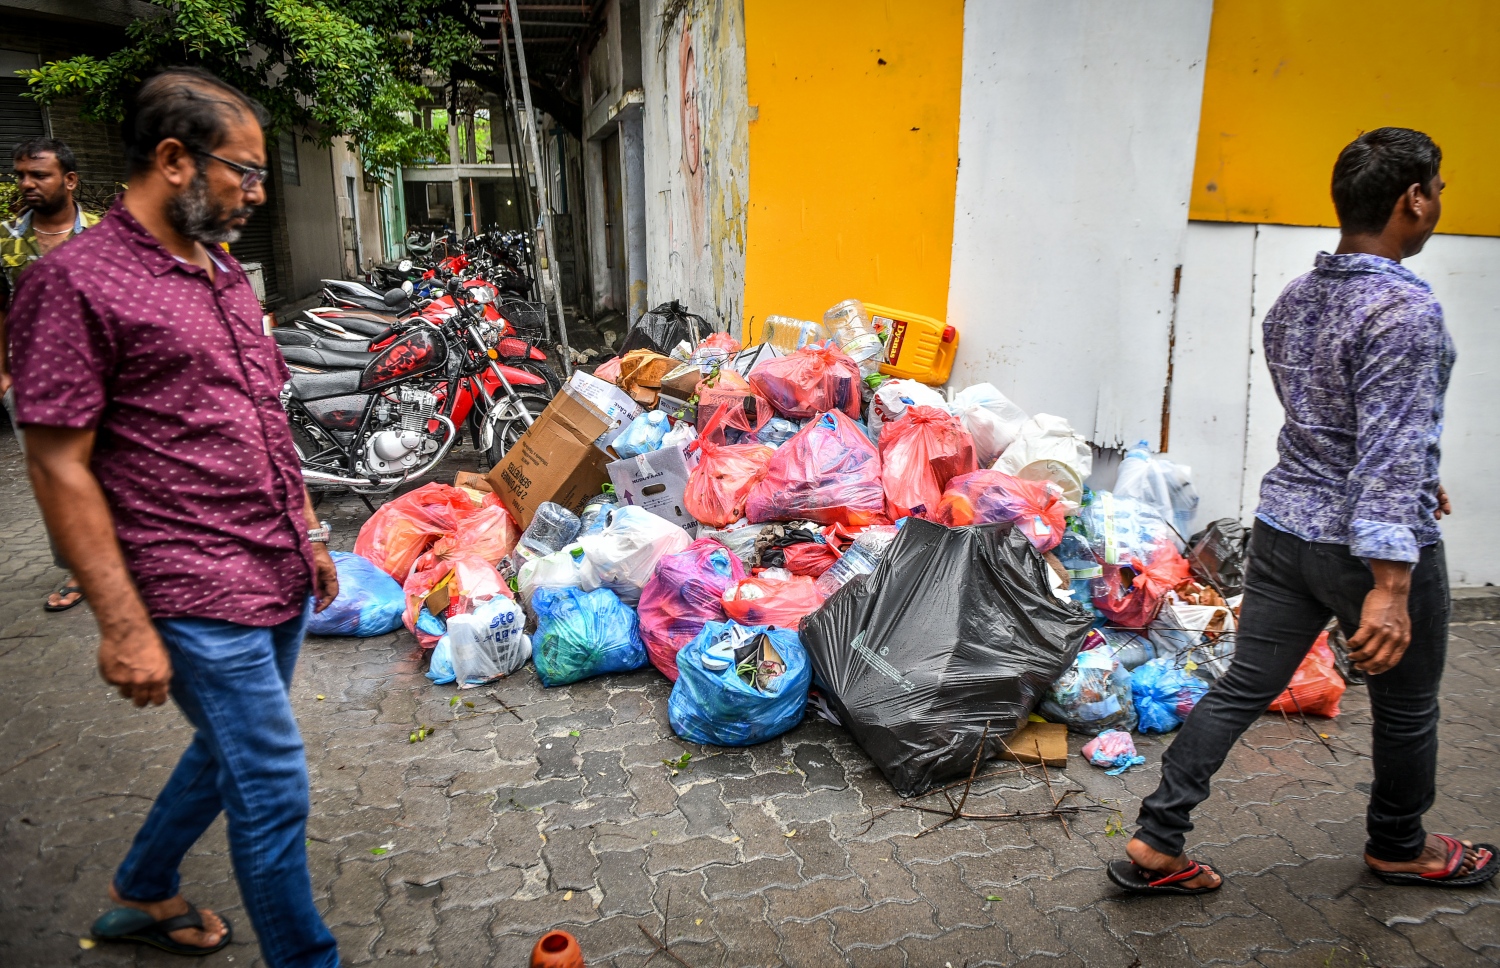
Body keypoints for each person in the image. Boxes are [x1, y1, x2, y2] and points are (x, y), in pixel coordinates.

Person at [6, 68, 341, 964]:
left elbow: (264, 411)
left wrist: (307, 531)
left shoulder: (222, 270)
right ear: (173, 160)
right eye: (246, 173)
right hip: (188, 586)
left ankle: (140, 891)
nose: (257, 194)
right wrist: (120, 625)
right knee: (271, 782)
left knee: (226, 751)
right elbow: (56, 463)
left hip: (270, 562)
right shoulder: (75, 283)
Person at [1109, 127, 1495, 896]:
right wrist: (1390, 584)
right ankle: (1399, 846)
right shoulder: (1405, 311)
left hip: (1287, 531)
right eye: (1438, 188)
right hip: (1368, 551)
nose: (1440, 201)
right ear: (1412, 199)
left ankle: (1156, 838)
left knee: (1241, 687)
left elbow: (1340, 422)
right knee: (1408, 706)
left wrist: (1416, 472)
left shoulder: (1297, 298)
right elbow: (1381, 443)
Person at [1, 137, 101, 612]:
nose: (26, 184)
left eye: (37, 174)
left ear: (69, 180)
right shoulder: (6, 238)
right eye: (20, 174)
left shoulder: (105, 235)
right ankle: (79, 569)